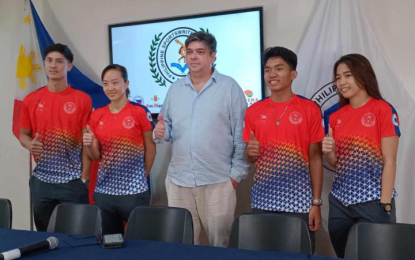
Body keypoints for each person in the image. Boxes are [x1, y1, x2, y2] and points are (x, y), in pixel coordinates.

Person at [153, 31, 249, 247]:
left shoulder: (229, 87)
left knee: (220, 244)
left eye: (200, 52)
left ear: (212, 56)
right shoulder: (175, 88)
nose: (193, 57)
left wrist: (235, 176)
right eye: (189, 52)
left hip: (218, 181)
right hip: (179, 181)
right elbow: (165, 124)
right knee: (183, 243)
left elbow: (242, 134)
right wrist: (160, 132)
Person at [244, 46, 324, 252]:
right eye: (268, 69)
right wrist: (249, 153)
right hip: (263, 201)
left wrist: (316, 204)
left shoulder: (309, 109)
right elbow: (249, 157)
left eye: (279, 69)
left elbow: (315, 159)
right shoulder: (253, 111)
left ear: (293, 74)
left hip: (299, 202)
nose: (272, 74)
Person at [322, 53, 400, 258]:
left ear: (363, 76)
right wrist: (329, 150)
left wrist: (385, 203)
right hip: (340, 202)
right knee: (345, 255)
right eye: (338, 77)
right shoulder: (336, 116)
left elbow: (390, 161)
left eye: (347, 75)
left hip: (373, 200)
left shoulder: (383, 109)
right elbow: (336, 163)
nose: (341, 82)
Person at [19, 43, 92, 231]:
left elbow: (86, 143)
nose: (53, 65)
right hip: (42, 183)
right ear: (44, 64)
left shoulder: (82, 99)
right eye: (49, 61)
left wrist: (84, 177)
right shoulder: (31, 100)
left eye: (59, 61)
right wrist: (29, 145)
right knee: (44, 236)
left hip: (72, 182)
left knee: (77, 236)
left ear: (69, 66)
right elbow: (23, 134)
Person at [83, 64, 156, 235]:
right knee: (110, 243)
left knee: (139, 243)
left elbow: (151, 149)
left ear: (126, 83)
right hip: (104, 193)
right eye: (106, 83)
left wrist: (140, 176)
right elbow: (96, 156)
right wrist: (89, 144)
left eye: (115, 83)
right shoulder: (96, 115)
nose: (110, 88)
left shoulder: (139, 112)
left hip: (134, 193)